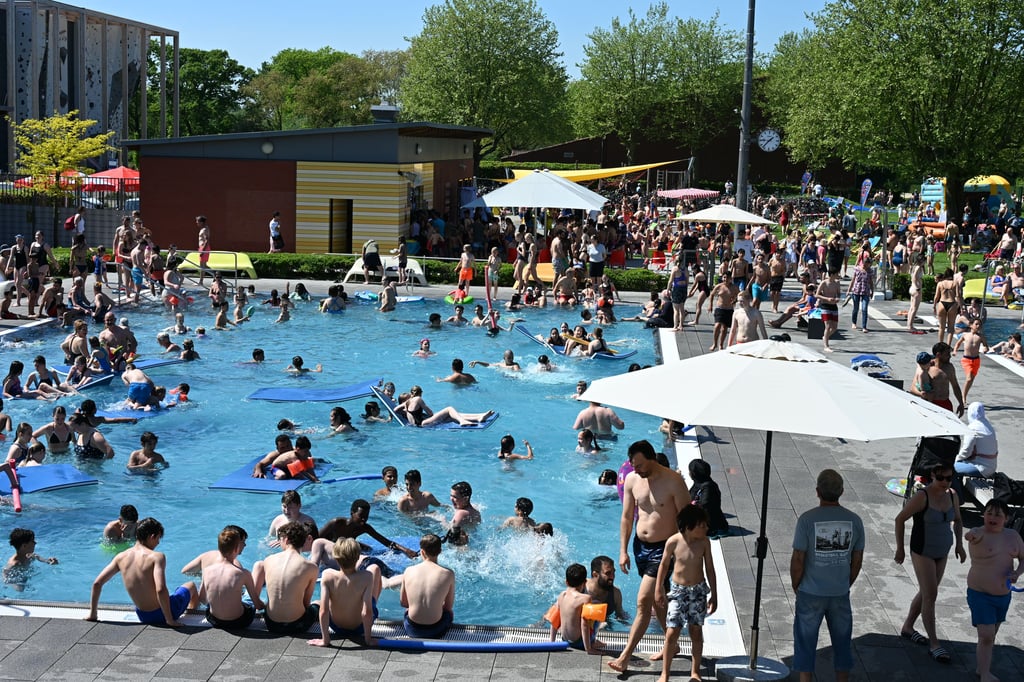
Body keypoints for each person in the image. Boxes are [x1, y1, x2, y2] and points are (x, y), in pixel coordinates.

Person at [608, 441, 691, 674]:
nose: (637, 470)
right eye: (634, 466)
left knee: (643, 601)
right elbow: (626, 517)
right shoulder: (633, 480)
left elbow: (687, 521)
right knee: (657, 600)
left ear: (652, 458)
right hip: (640, 547)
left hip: (664, 549)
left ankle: (624, 657)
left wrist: (683, 554)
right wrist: (623, 551)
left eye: (641, 465)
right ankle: (671, 645)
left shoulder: (674, 482)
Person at [790, 469, 864, 682]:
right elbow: (857, 560)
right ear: (842, 491)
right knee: (842, 642)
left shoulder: (807, 520)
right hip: (840, 591)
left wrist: (797, 584)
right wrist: (845, 582)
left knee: (805, 642)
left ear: (817, 492)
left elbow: (798, 559)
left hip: (810, 591)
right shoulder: (855, 520)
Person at [893, 463, 965, 662]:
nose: (944, 482)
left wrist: (959, 544)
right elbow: (900, 519)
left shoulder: (952, 495)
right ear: (932, 475)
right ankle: (935, 643)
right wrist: (900, 548)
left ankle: (908, 626)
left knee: (926, 592)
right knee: (931, 595)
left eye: (949, 478)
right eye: (940, 477)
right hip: (922, 550)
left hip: (942, 551)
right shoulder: (922, 496)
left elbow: (958, 520)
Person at [86, 517, 199, 626]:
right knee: (191, 585)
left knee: (174, 594)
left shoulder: (120, 557)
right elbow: (160, 589)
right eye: (158, 538)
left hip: (142, 615)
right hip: (162, 615)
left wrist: (93, 614)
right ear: (151, 537)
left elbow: (97, 583)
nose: (158, 543)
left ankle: (92, 613)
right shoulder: (157, 557)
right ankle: (193, 615)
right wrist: (169, 620)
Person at [654, 505, 718, 682]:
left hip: (698, 591)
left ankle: (695, 671)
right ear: (689, 526)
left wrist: (715, 594)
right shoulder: (673, 541)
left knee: (696, 631)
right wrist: (659, 588)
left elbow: (710, 569)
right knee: (672, 631)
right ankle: (665, 673)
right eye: (702, 525)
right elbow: (664, 565)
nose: (706, 528)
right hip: (677, 592)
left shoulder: (704, 542)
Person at [964, 499, 1024, 682]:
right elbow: (970, 535)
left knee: (991, 635)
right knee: (987, 635)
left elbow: (1023, 558)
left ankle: (981, 668)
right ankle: (985, 675)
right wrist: (970, 535)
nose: (992, 517)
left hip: (1003, 596)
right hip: (979, 593)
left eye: (998, 514)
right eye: (989, 513)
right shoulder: (979, 534)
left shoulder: (1013, 536)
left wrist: (1017, 572)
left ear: (1006, 518)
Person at [308, 538, 378, 647]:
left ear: (336, 558)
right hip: (359, 628)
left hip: (336, 627)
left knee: (319, 602)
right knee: (375, 569)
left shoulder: (327, 575)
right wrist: (368, 640)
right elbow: (367, 612)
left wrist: (325, 640)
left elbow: (324, 611)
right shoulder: (367, 577)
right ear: (358, 557)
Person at [252, 521, 319, 634]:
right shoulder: (311, 567)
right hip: (297, 625)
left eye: (280, 539)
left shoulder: (268, 560)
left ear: (286, 539)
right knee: (318, 602)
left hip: (271, 623)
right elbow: (306, 603)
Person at [200, 526, 263, 630]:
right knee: (248, 599)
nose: (245, 545)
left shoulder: (207, 570)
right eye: (243, 543)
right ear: (236, 548)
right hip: (239, 622)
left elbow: (202, 598)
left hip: (214, 620)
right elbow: (257, 605)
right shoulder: (243, 573)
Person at [319, 499, 418, 558]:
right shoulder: (337, 522)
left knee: (368, 549)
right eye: (360, 516)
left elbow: (387, 543)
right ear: (352, 513)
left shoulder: (364, 528)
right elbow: (317, 538)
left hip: (346, 545)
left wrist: (406, 551)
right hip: (330, 547)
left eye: (366, 516)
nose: (363, 519)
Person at [400, 534, 455, 639]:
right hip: (436, 629)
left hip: (412, 629)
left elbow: (404, 603)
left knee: (408, 610)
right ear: (440, 551)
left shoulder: (409, 571)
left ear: (422, 552)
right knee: (449, 614)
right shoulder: (448, 574)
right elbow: (448, 607)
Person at [550, 563, 604, 654]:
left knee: (557, 612)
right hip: (579, 643)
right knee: (598, 607)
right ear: (585, 582)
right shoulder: (585, 598)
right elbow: (585, 624)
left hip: (564, 640)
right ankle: (593, 642)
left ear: (566, 582)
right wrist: (588, 649)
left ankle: (552, 641)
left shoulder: (562, 595)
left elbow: (554, 619)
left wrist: (552, 643)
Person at [394, 385, 494, 428]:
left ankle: (479, 417)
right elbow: (430, 413)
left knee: (453, 416)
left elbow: (395, 409)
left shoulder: (406, 403)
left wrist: (405, 412)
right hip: (422, 423)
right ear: (420, 393)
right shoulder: (418, 399)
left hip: (418, 424)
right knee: (449, 408)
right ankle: (462, 421)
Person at [955, 402, 998, 478]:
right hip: (991, 466)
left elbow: (966, 451)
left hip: (980, 467)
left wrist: (956, 459)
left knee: (948, 469)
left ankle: (958, 490)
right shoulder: (988, 425)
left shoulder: (973, 428)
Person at [688, 460, 730, 538]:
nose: (689, 473)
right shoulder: (699, 483)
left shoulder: (709, 487)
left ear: (694, 474)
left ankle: (713, 531)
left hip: (713, 526)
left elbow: (705, 506)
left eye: (690, 472)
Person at [953, 319, 989, 404]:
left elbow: (986, 345)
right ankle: (963, 397)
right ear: (971, 325)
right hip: (966, 359)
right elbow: (958, 343)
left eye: (980, 324)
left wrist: (985, 349)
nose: (978, 326)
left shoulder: (981, 337)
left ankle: (964, 395)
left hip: (976, 360)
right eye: (976, 324)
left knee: (971, 380)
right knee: (968, 379)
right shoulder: (965, 335)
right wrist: (955, 350)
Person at [586, 555, 629, 621]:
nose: (612, 577)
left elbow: (620, 615)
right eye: (608, 573)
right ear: (595, 575)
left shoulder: (616, 594)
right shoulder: (583, 589)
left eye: (613, 572)